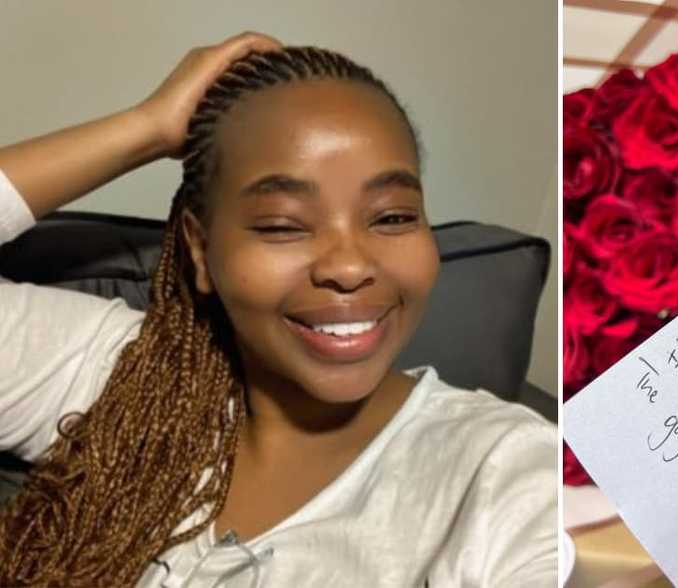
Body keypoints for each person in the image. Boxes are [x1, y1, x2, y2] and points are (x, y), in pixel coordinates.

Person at [0, 32, 557, 587]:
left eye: (392, 217)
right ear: (200, 248)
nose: (348, 265)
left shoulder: (508, 475)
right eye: (282, 225)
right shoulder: (122, 376)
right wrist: (146, 129)